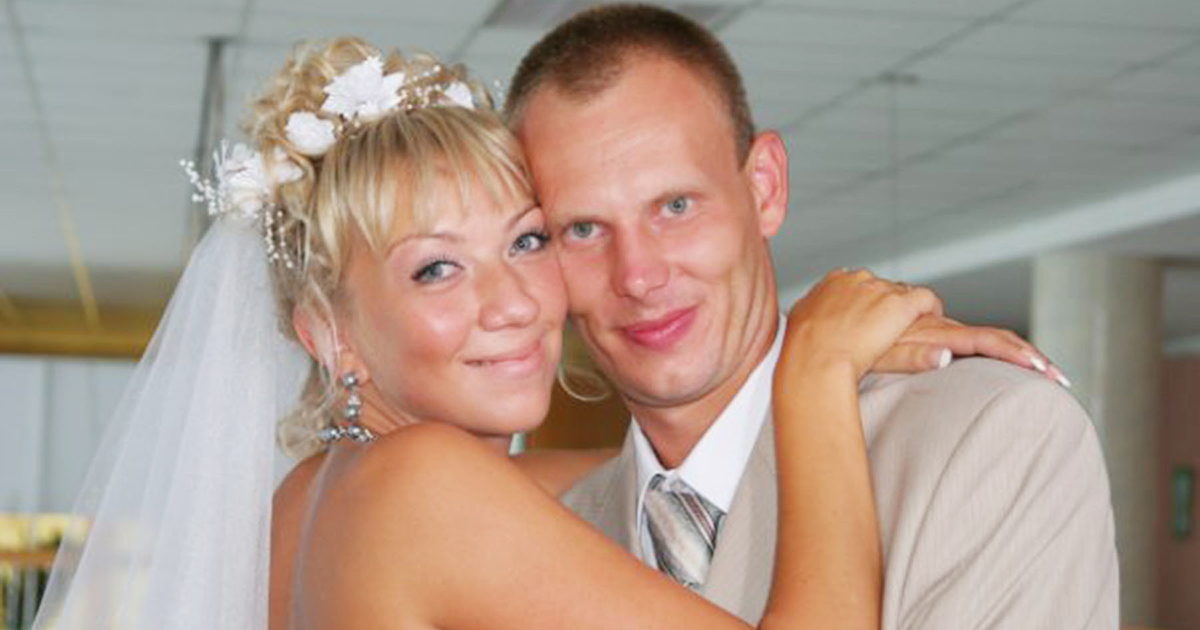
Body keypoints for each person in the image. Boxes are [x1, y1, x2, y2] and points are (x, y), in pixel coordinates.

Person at [31, 37, 1057, 630]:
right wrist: (815, 368)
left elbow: (656, 472)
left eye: (527, 241)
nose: (515, 301)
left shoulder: (309, 500)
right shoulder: (422, 484)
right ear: (327, 333)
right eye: (436, 268)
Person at [503, 5, 1119, 629]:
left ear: (764, 187)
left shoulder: (988, 437)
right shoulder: (545, 539)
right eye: (582, 229)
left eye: (676, 206)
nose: (637, 275)